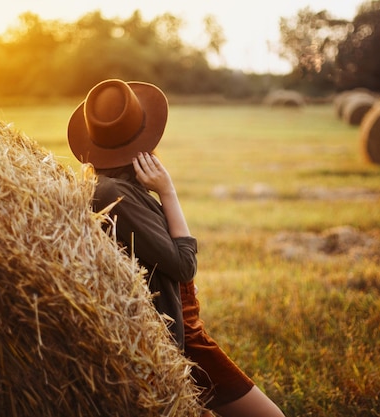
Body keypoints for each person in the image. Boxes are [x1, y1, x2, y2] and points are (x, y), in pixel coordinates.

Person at [67, 79, 285, 417]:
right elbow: (184, 265)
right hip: (180, 337)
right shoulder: (116, 196)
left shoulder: (110, 188)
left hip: (177, 325)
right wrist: (168, 191)